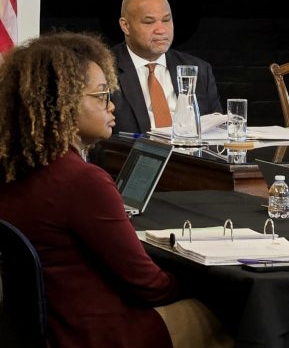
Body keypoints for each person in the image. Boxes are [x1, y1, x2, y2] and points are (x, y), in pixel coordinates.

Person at [0, 32, 232, 348]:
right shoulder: (82, 181)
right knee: (235, 314)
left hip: (39, 330)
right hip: (98, 334)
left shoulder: (13, 170)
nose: (112, 106)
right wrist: (213, 282)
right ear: (62, 103)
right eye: (101, 95)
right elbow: (150, 287)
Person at [112, 0, 222, 134]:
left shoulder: (199, 69)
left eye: (166, 20)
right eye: (149, 22)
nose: (161, 30)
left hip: (190, 156)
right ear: (125, 26)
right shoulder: (103, 69)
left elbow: (218, 130)